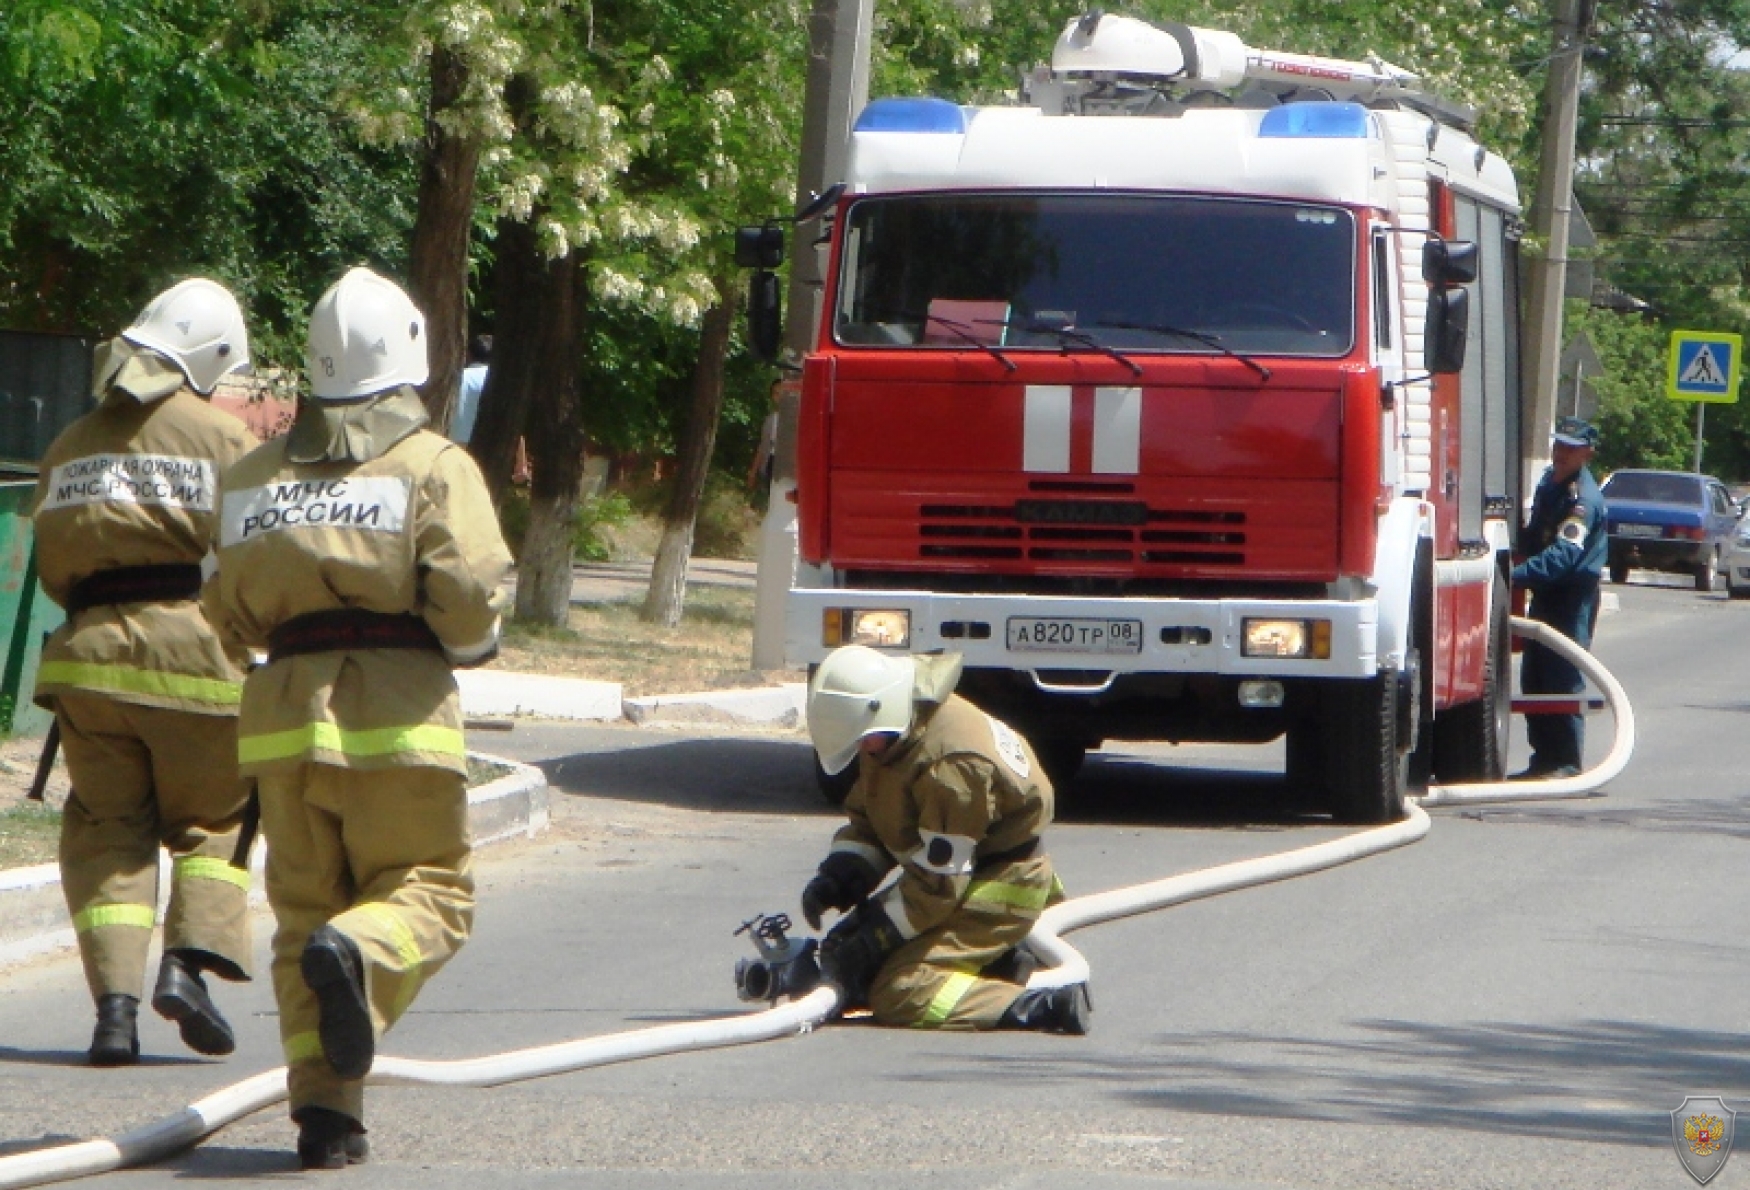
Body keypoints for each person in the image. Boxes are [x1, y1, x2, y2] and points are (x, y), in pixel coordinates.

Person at [211, 267, 513, 1169]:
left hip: (280, 724)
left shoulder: (253, 474)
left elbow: (224, 612)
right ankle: (361, 950)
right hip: (398, 716)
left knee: (302, 917)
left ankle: (326, 1120)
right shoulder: (432, 465)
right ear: (410, 354)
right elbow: (466, 594)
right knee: (431, 892)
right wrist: (466, 640)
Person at [30, 278, 259, 1066]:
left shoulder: (69, 442)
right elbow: (257, 555)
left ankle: (115, 1014)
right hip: (198, 661)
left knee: (108, 833)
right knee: (216, 822)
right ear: (212, 359)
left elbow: (54, 569)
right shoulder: (224, 439)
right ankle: (189, 967)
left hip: (89, 668)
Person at [799, 645, 1091, 1033]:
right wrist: (842, 872)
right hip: (953, 878)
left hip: (996, 886)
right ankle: (997, 963)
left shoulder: (950, 767)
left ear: (879, 710)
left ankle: (1041, 1004)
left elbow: (939, 884)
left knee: (900, 990)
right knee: (849, 959)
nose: (861, 752)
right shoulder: (893, 733)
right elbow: (873, 817)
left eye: (863, 741)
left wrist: (877, 935)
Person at [1510, 416, 1608, 780]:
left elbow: (1565, 555)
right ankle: (1543, 758)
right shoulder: (1550, 485)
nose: (1561, 453)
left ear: (1588, 453)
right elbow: (1534, 535)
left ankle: (1566, 761)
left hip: (1572, 597)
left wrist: (1514, 577)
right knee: (1534, 677)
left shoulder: (1582, 500)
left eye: (1571, 448)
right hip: (1547, 592)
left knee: (1562, 677)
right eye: (1558, 445)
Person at [449, 334, 491, 446]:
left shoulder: (459, 377)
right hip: (489, 444)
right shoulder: (501, 381)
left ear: (468, 354)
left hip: (457, 442)